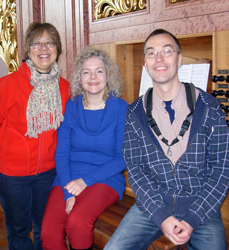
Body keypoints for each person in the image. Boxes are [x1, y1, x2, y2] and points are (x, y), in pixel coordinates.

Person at [104, 29, 229, 250]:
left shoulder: (209, 107)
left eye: (167, 51)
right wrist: (160, 216)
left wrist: (193, 218)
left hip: (201, 205)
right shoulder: (134, 114)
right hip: (153, 204)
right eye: (152, 53)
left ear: (179, 59)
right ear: (145, 63)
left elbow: (221, 172)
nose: (159, 59)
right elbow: (136, 170)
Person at [0, 22, 70, 250]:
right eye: (36, 43)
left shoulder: (65, 88)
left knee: (45, 229)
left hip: (49, 174)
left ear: (57, 49)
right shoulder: (5, 85)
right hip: (13, 174)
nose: (44, 48)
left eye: (50, 42)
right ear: (27, 49)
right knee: (19, 232)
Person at [40, 47, 127, 250]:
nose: (93, 77)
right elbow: (61, 154)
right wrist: (68, 191)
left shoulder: (121, 108)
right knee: (48, 233)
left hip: (106, 178)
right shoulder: (71, 106)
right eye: (86, 72)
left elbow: (121, 158)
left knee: (77, 223)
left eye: (99, 71)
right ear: (80, 77)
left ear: (108, 75)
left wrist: (84, 182)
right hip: (68, 177)